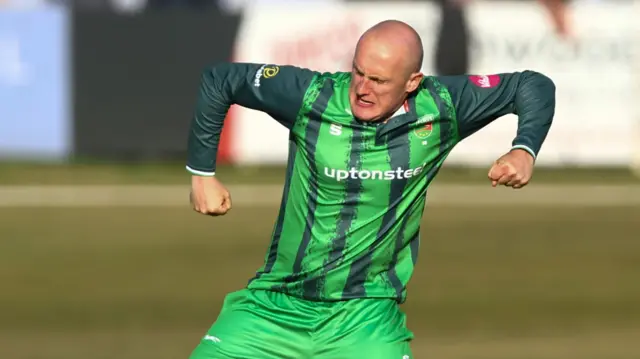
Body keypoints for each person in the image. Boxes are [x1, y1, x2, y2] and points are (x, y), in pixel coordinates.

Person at [186, 20, 555, 359]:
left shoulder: (441, 105)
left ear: (412, 82)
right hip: (273, 307)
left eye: (378, 81)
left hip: (365, 318)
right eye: (358, 73)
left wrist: (524, 148)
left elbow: (533, 84)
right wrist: (202, 173)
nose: (362, 88)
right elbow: (221, 80)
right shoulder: (313, 96)